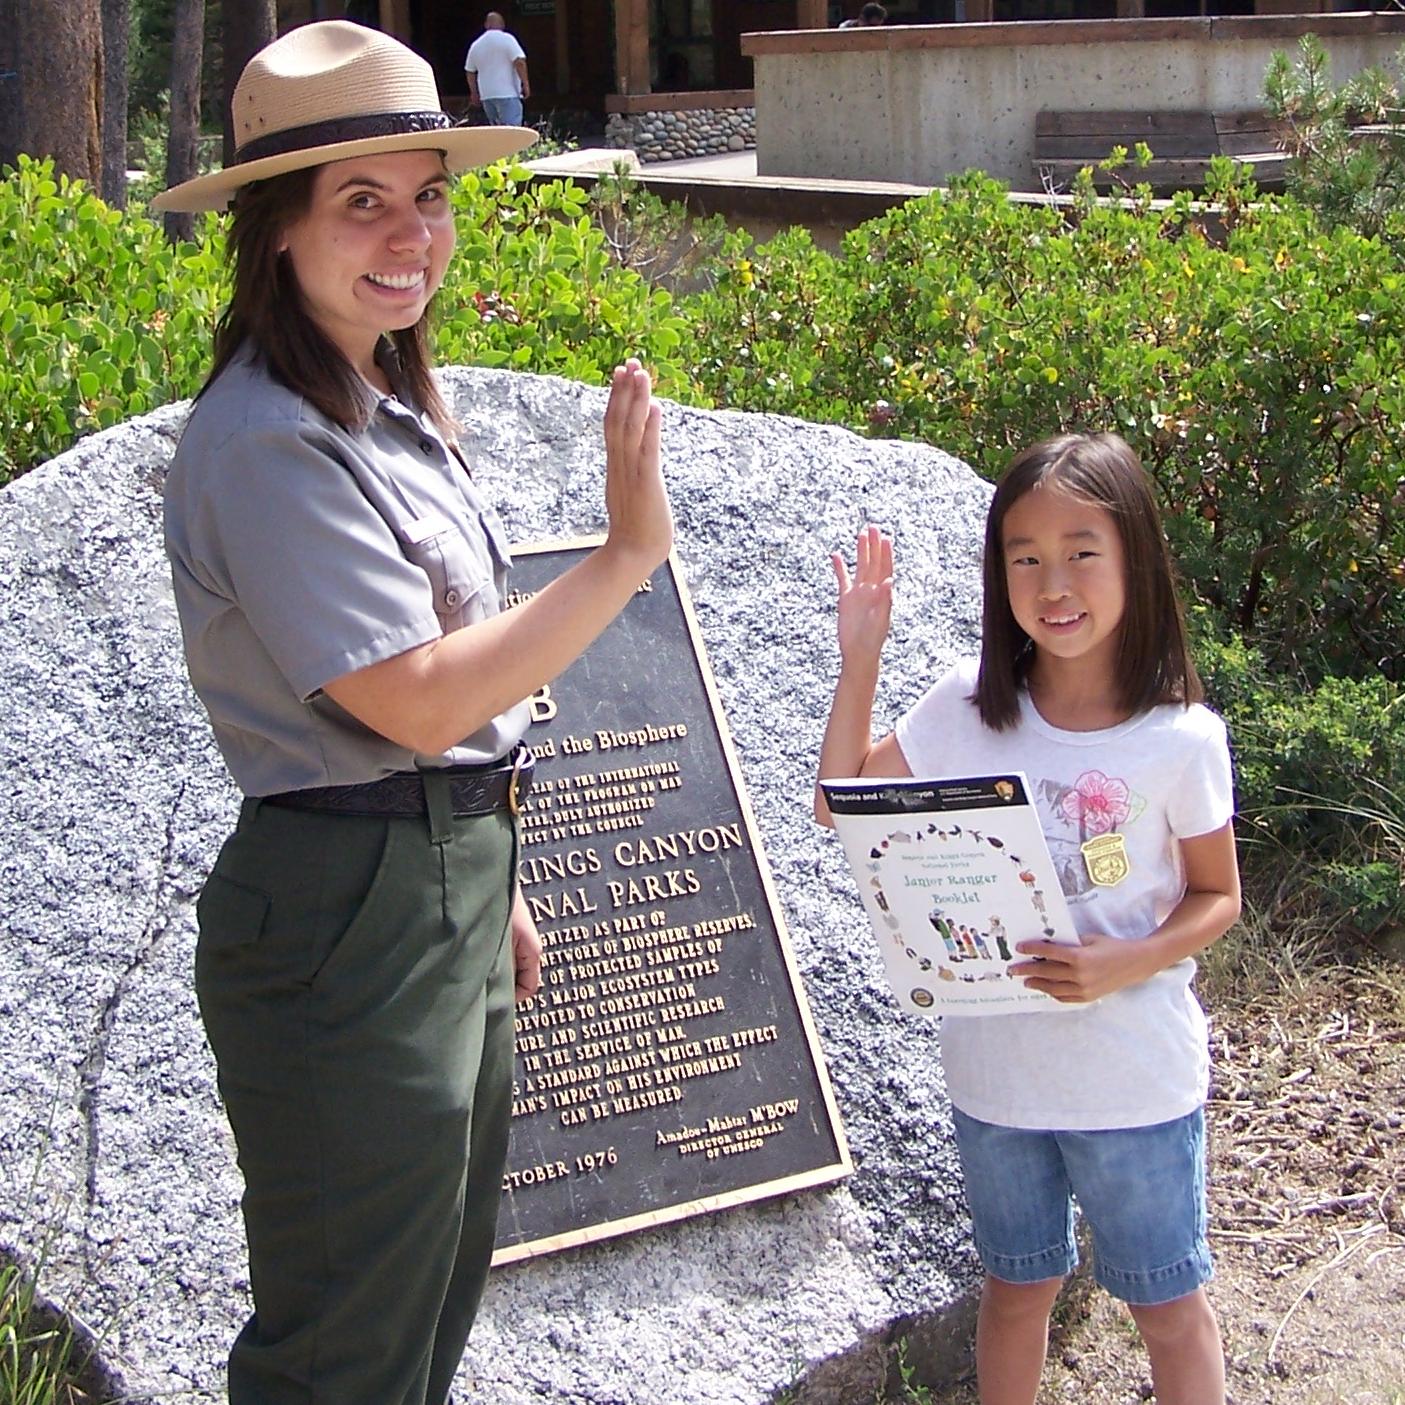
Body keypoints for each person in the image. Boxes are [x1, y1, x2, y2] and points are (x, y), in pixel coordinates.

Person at [150, 20, 670, 1405]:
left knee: (421, 1307)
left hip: (428, 878)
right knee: (343, 1352)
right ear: (274, 231)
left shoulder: (377, 396)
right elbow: (420, 697)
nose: (409, 233)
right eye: (359, 201)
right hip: (343, 916)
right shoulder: (269, 439)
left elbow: (447, 709)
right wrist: (624, 558)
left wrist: (483, 871)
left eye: (427, 194)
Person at [815, 434, 1240, 1405]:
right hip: (997, 1080)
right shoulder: (962, 709)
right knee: (1014, 1290)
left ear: (1135, 557)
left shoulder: (1179, 737)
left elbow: (1217, 896)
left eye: (1082, 551)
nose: (1055, 581)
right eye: (1025, 556)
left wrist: (1120, 961)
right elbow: (840, 801)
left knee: (1168, 1305)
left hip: (1134, 1081)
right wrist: (861, 658)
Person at [465, 11, 530, 127]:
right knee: (512, 131)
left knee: (496, 131)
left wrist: (474, 93)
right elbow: (519, 62)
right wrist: (525, 84)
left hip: (487, 95)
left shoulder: (476, 44)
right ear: (502, 25)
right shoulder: (507, 39)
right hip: (508, 93)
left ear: (486, 25)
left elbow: (470, 71)